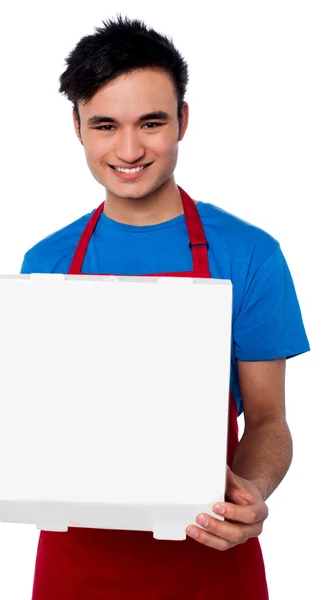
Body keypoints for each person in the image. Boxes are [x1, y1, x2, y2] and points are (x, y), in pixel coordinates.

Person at [20, 14, 310, 600]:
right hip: (76, 563)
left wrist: (249, 491)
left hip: (208, 555)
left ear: (183, 120)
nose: (130, 149)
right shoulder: (45, 263)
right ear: (77, 127)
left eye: (151, 122)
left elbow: (268, 418)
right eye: (106, 125)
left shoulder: (249, 256)